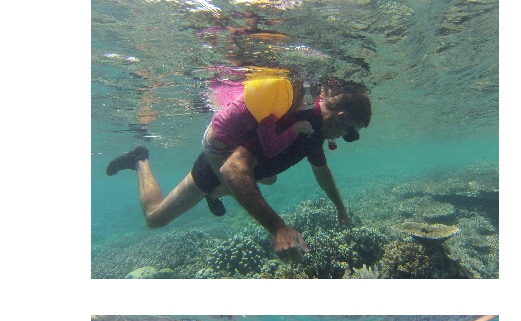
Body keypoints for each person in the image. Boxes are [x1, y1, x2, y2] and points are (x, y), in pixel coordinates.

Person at [105, 79, 371, 263]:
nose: (347, 137)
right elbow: (233, 168)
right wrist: (278, 228)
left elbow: (321, 170)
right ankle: (140, 160)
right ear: (342, 118)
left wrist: (340, 208)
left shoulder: (316, 131)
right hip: (214, 168)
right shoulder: (297, 118)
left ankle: (217, 194)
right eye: (352, 133)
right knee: (154, 218)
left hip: (242, 169)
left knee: (269, 178)